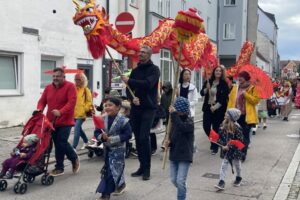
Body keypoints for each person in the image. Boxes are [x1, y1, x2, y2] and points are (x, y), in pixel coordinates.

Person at [121, 45, 160, 180]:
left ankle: (147, 169)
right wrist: (132, 99)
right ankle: (142, 166)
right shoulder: (135, 70)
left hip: (149, 108)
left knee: (144, 137)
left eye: (143, 52)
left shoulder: (154, 70)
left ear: (149, 55)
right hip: (136, 108)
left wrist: (129, 80)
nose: (140, 54)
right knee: (137, 138)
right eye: (139, 52)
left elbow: (148, 84)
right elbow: (128, 89)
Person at [37, 67, 79, 176]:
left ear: (63, 77)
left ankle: (73, 158)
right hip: (50, 121)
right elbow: (42, 101)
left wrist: (61, 112)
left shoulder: (70, 87)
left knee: (61, 142)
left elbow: (71, 102)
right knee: (56, 143)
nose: (55, 78)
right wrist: (39, 109)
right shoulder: (48, 88)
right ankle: (59, 167)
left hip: (65, 121)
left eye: (58, 76)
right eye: (54, 76)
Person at [95, 97, 132, 200]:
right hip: (107, 150)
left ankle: (105, 194)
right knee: (109, 170)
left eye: (110, 105)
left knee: (112, 172)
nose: (107, 107)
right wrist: (101, 137)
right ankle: (121, 185)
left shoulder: (123, 120)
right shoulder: (102, 118)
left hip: (119, 151)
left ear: (118, 107)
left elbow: (128, 135)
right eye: (105, 105)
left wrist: (113, 139)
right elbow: (97, 132)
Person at [227, 71, 260, 162]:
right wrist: (228, 112)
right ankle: (236, 152)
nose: (239, 79)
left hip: (246, 116)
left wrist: (246, 94)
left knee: (245, 136)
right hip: (235, 116)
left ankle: (242, 154)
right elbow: (231, 101)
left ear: (246, 78)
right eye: (239, 77)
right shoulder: (235, 87)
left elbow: (255, 101)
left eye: (241, 77)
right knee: (235, 135)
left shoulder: (252, 88)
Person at [168, 97, 194, 200]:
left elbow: (181, 127)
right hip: (174, 153)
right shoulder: (174, 120)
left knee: (180, 181)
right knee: (174, 180)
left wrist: (174, 114)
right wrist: (168, 142)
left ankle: (181, 197)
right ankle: (183, 189)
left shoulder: (189, 122)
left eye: (178, 111)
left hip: (185, 155)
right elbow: (172, 134)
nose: (176, 112)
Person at [200, 65, 229, 155]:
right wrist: (206, 89)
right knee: (206, 126)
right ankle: (215, 141)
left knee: (216, 128)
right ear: (214, 72)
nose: (218, 72)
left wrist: (215, 107)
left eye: (220, 71)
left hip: (218, 109)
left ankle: (214, 146)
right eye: (216, 71)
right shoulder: (209, 81)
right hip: (208, 108)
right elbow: (201, 93)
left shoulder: (224, 84)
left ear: (222, 73)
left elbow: (223, 98)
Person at [214, 108, 244, 190]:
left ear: (231, 117)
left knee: (237, 165)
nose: (225, 114)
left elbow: (240, 141)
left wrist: (229, 146)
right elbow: (219, 138)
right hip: (225, 151)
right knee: (223, 165)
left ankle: (238, 177)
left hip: (235, 152)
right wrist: (222, 145)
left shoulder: (237, 128)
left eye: (227, 113)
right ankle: (221, 182)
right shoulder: (222, 125)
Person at [73, 73, 93, 150]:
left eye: (78, 80)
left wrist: (85, 108)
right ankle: (86, 141)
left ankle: (73, 147)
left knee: (76, 129)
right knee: (79, 129)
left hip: (81, 114)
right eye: (76, 80)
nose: (77, 81)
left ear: (83, 80)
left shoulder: (86, 90)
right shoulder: (73, 89)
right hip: (73, 113)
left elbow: (89, 102)